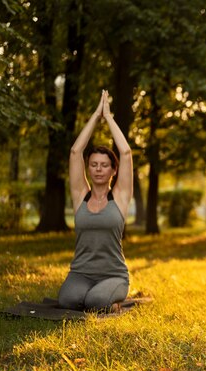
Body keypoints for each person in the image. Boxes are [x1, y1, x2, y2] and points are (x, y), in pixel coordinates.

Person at [58, 90, 133, 312]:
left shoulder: (119, 197)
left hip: (114, 275)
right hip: (81, 273)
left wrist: (108, 117)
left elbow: (126, 152)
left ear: (113, 170)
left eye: (104, 165)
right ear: (88, 168)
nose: (98, 169)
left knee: (94, 301)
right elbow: (75, 151)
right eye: (93, 164)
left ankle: (109, 298)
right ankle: (100, 299)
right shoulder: (80, 195)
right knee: (67, 301)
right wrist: (95, 115)